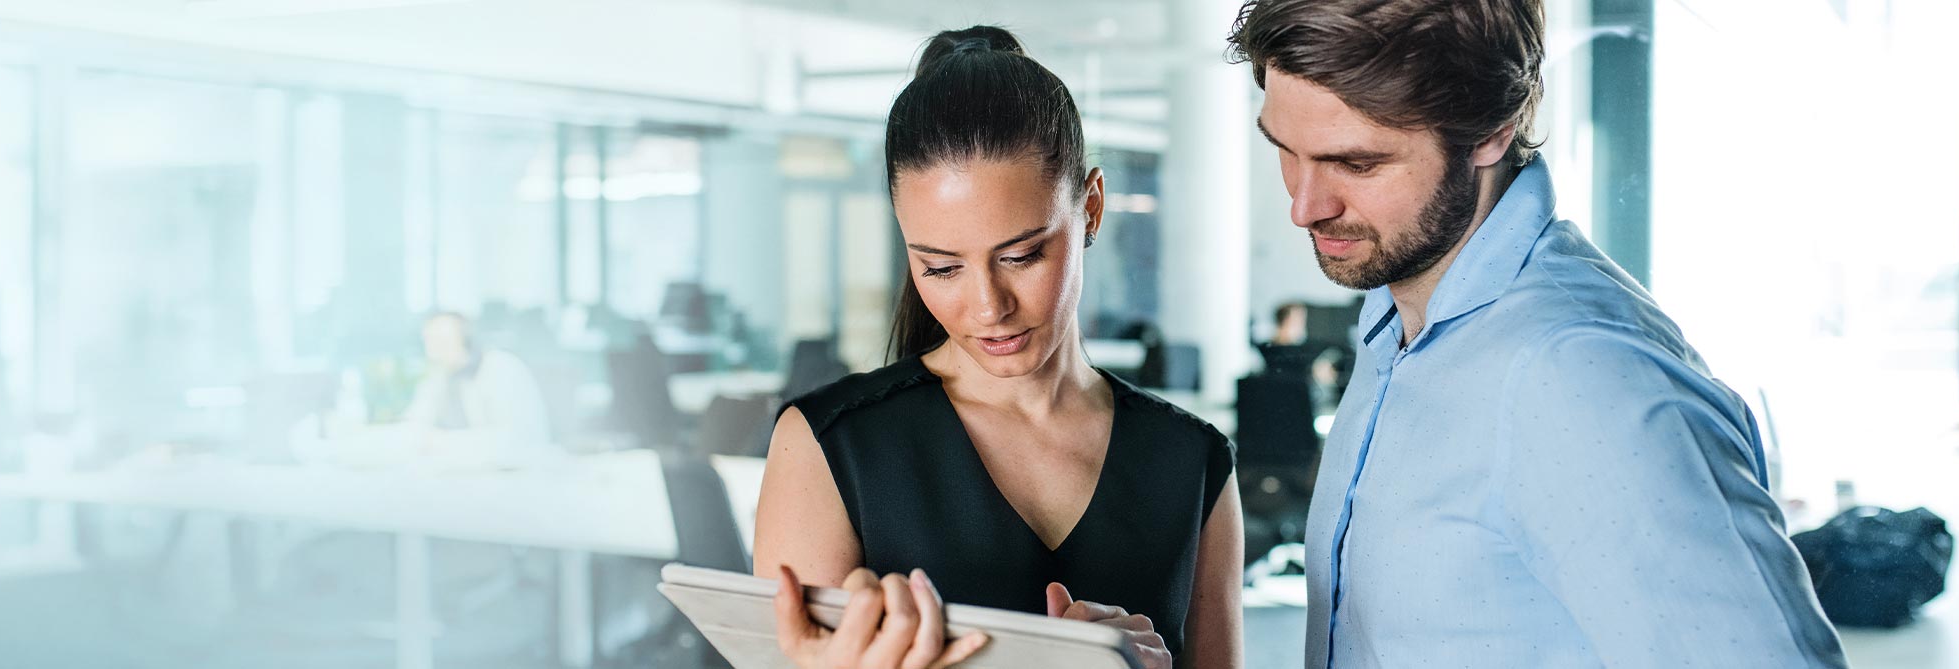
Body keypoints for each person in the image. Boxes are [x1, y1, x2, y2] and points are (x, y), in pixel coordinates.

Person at [1226, 1, 1847, 666]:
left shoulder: (1580, 376)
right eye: (1286, 151)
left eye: (1357, 163)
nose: (1304, 205)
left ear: (1492, 131)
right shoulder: (1393, 322)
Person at [752, 26, 1243, 669]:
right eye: (941, 268)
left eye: (1021, 255)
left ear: (1091, 208)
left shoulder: (1192, 461)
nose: (988, 308)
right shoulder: (828, 446)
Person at [397, 311, 551, 460]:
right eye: (428, 342)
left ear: (466, 341)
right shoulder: (441, 376)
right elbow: (416, 423)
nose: (432, 353)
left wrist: (441, 442)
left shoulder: (501, 369)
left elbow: (511, 440)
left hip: (524, 472)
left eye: (441, 342)